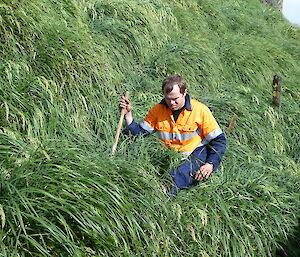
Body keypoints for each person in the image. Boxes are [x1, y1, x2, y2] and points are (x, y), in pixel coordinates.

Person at [120, 75, 226, 196]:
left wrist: (210, 164)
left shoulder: (200, 110)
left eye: (175, 99)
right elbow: (139, 134)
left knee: (173, 179)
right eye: (167, 99)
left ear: (184, 92)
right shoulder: (157, 110)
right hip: (168, 156)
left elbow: (219, 140)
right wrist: (128, 115)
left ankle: (161, 199)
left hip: (195, 153)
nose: (171, 103)